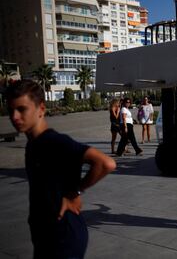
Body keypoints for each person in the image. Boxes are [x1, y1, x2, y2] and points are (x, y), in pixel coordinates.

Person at [5, 80, 116, 259]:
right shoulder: (33, 144)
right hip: (47, 235)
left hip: (63, 237)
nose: (15, 117)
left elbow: (106, 163)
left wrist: (75, 192)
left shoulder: (54, 142)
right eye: (11, 111)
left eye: (22, 109)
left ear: (41, 108)